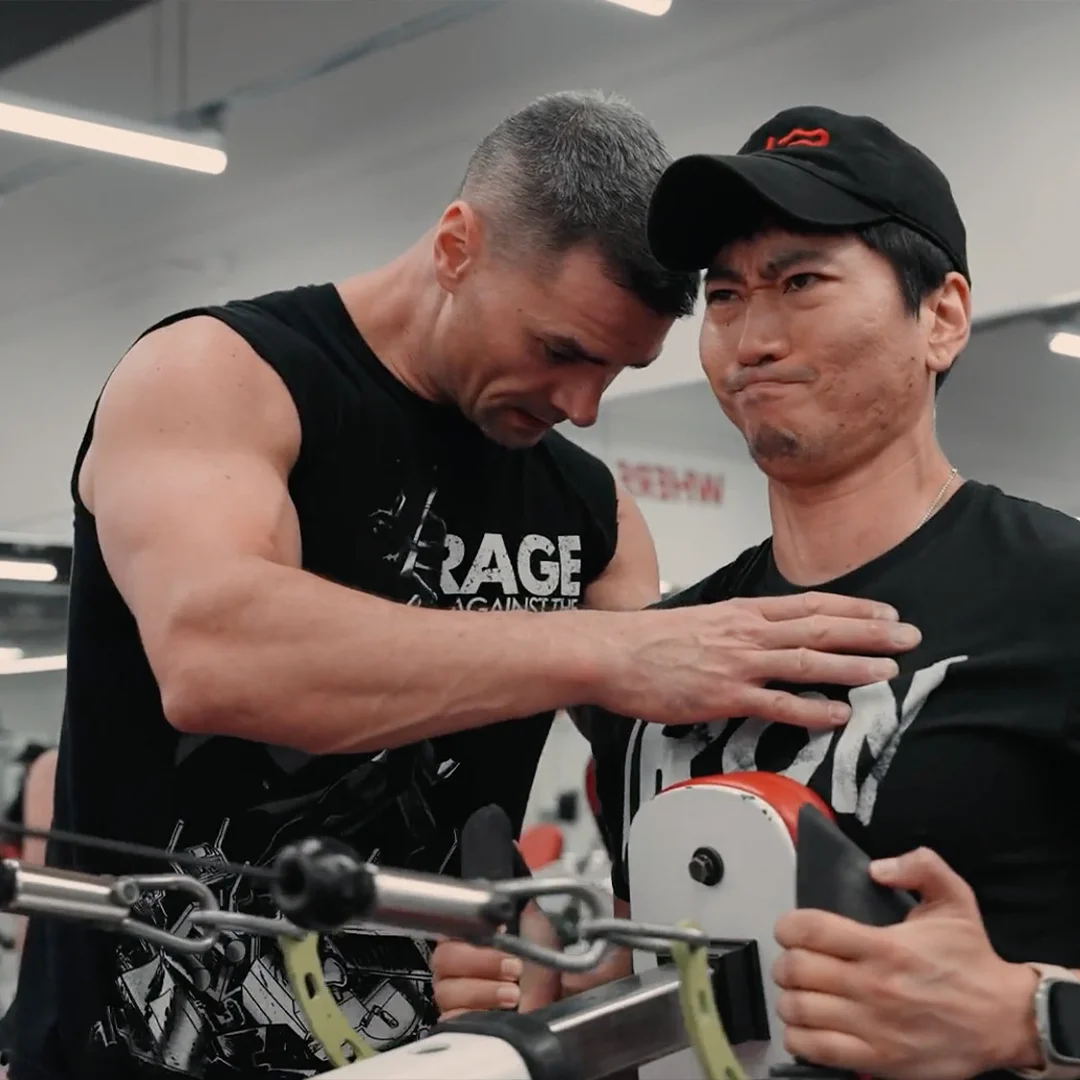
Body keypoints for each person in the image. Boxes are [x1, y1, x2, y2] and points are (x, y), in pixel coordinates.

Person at [5, 92, 914, 1080]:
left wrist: (577, 952)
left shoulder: (590, 511)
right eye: (562, 349)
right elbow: (217, 655)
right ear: (455, 246)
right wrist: (608, 650)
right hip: (123, 1044)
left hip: (434, 1055)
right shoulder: (224, 377)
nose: (583, 405)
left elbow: (651, 793)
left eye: (618, 369)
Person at [431, 106, 1080, 1080]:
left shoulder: (1058, 601)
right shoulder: (662, 658)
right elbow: (665, 978)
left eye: (801, 281)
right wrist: (553, 989)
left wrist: (1033, 1018)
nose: (752, 337)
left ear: (940, 316)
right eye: (725, 296)